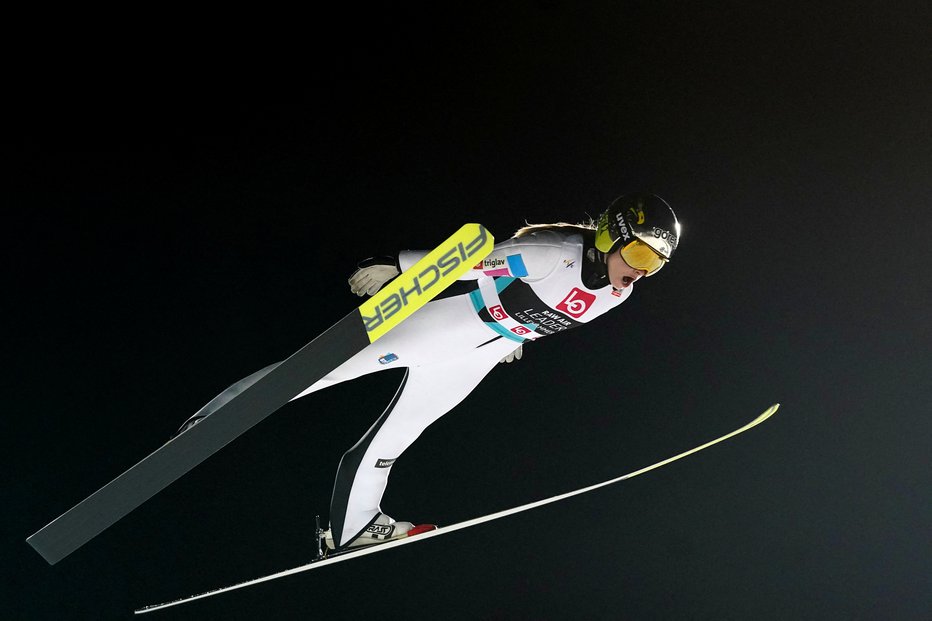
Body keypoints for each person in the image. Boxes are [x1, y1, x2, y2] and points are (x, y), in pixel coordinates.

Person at [176, 193, 680, 551]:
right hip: (446, 325)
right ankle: (212, 422)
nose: (640, 269)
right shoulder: (552, 254)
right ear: (612, 236)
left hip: (475, 356)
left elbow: (548, 315)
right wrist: (398, 265)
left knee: (396, 437)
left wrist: (516, 339)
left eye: (654, 264)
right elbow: (475, 262)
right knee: (315, 372)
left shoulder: (619, 294)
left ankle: (350, 528)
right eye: (638, 252)